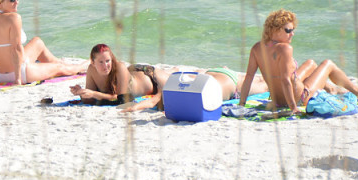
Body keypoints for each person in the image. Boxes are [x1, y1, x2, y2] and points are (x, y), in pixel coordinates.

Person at [237, 8, 358, 114]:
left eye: (293, 30)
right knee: (328, 64)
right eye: (288, 30)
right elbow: (285, 80)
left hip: (277, 101)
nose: (292, 34)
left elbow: (249, 77)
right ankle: (357, 91)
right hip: (300, 97)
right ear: (275, 30)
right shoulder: (285, 48)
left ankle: (331, 88)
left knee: (311, 64)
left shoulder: (256, 48)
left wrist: (241, 104)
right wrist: (293, 107)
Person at [71, 44, 269, 110]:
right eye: (101, 62)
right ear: (92, 62)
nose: (106, 66)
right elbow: (90, 99)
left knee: (178, 82)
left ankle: (201, 72)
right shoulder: (91, 71)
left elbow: (122, 101)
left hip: (150, 77)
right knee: (182, 79)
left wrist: (95, 94)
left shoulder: (119, 68)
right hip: (138, 74)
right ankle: (204, 72)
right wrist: (83, 93)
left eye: (108, 61)